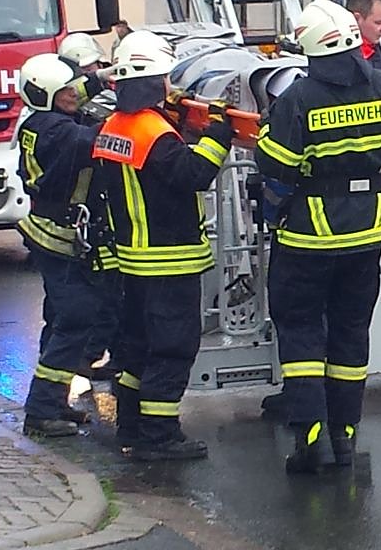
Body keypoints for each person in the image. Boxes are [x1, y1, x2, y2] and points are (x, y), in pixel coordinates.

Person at [255, 0, 381, 471]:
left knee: (302, 332)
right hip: (367, 234)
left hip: (308, 237)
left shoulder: (298, 99)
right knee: (351, 332)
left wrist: (267, 134)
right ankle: (345, 437)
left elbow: (278, 165)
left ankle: (310, 440)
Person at [92, 30, 233, 461]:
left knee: (137, 347)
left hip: (133, 261)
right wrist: (218, 135)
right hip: (168, 261)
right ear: (157, 81)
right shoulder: (154, 133)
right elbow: (192, 175)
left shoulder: (115, 126)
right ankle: (159, 435)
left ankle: (132, 425)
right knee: (172, 348)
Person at [15, 53, 115, 437]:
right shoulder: (61, 132)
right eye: (66, 91)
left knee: (60, 318)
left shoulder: (42, 120)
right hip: (60, 238)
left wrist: (103, 78)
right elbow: (100, 138)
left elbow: (74, 94)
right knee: (75, 317)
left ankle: (55, 401)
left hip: (49, 232)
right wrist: (134, 107)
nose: (74, 95)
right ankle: (41, 410)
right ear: (46, 95)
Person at [57, 32, 121, 375]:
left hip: (101, 216)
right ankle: (88, 357)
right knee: (103, 296)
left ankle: (95, 356)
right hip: (90, 218)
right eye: (83, 70)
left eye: (94, 67)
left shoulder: (65, 106)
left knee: (112, 293)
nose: (90, 74)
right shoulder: (71, 118)